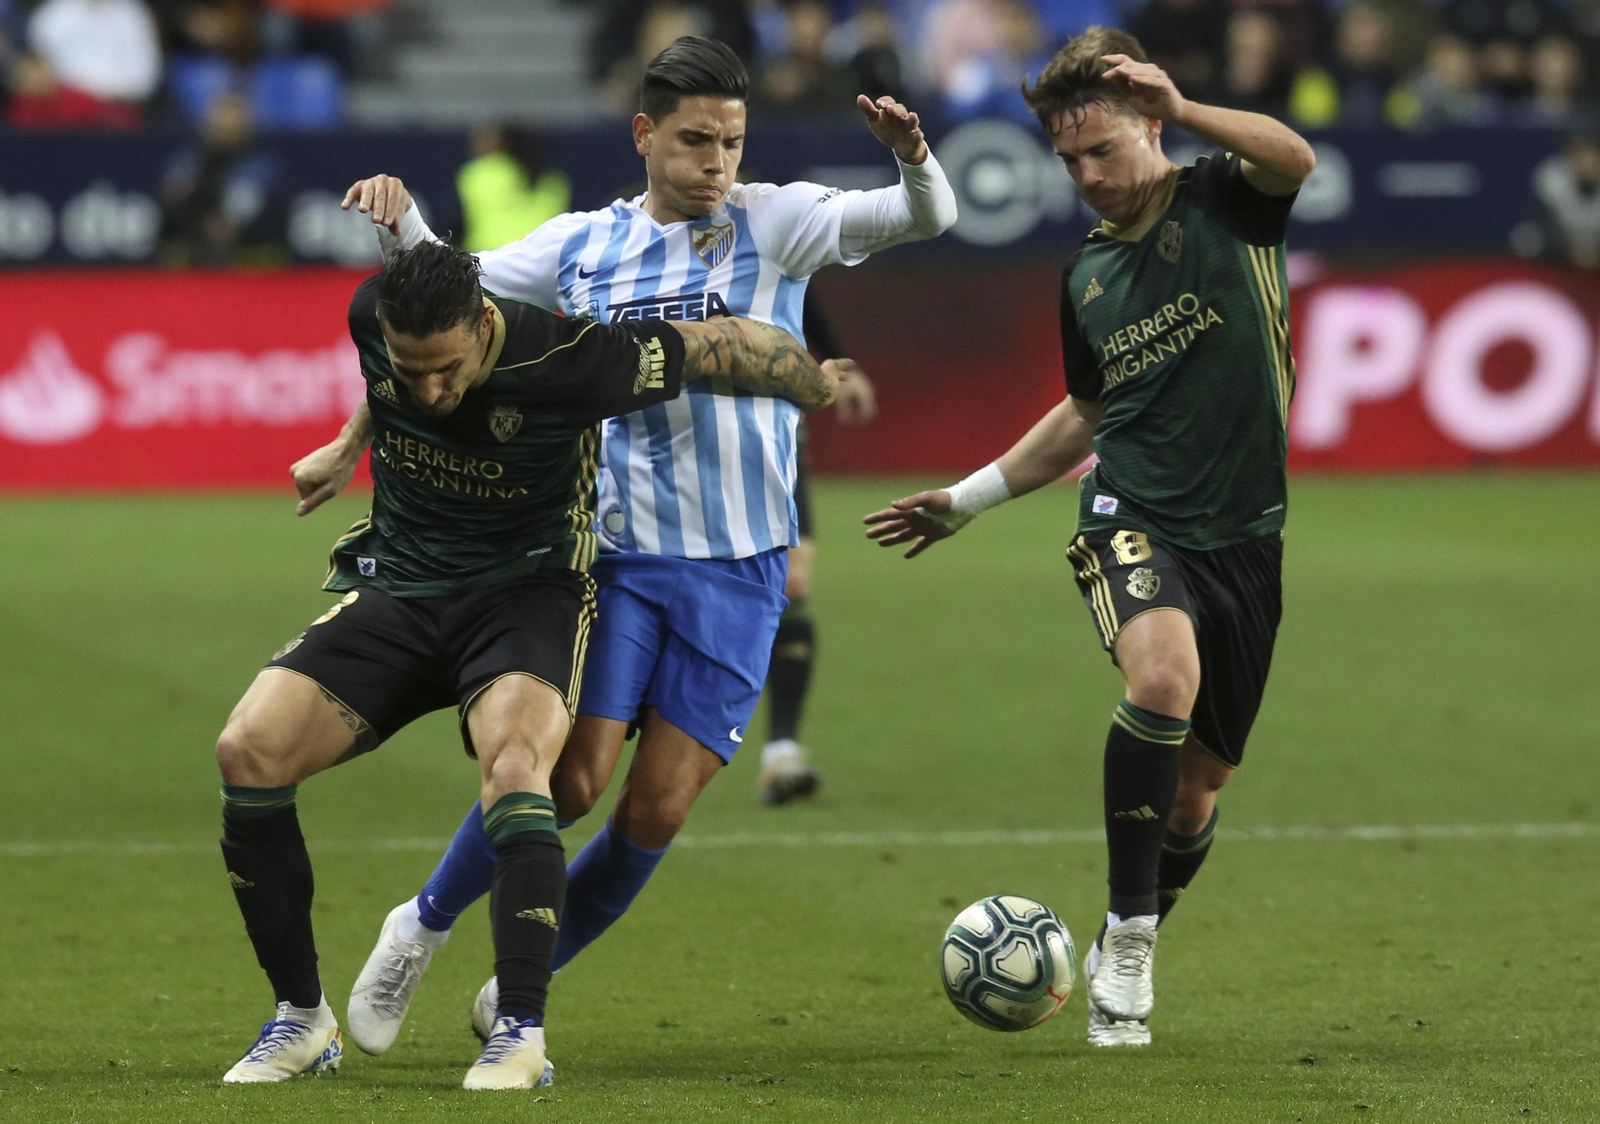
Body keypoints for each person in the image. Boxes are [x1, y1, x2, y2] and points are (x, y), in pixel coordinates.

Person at [305, 36, 955, 1059]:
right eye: (695, 141)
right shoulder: (583, 247)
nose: (716, 163)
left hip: (742, 561)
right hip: (615, 551)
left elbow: (927, 217)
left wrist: (913, 159)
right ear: (646, 135)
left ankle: (526, 972)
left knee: (657, 807)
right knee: (567, 781)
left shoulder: (777, 220)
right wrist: (402, 220)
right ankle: (419, 924)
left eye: (732, 142)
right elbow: (453, 284)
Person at [215, 238, 836, 1089]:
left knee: (521, 768)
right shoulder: (374, 317)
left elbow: (721, 342)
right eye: (412, 369)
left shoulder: (572, 357)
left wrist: (815, 381)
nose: (430, 392)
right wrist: (345, 444)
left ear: (483, 324)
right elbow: (380, 382)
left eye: (447, 369)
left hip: (527, 598)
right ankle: (300, 1020)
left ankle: (520, 1032)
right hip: (402, 592)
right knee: (246, 750)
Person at [864, 25, 1314, 1048]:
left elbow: (1297, 157)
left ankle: (1125, 921)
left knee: (1198, 794)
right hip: (1129, 509)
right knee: (1161, 677)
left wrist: (1190, 102)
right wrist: (968, 497)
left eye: (1101, 150)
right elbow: (1085, 412)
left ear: (1150, 123)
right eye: (1068, 160)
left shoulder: (1223, 196)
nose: (1086, 176)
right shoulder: (1087, 279)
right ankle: (1133, 933)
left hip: (1245, 532)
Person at [755, 288, 878, 806]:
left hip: (776, 415)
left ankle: (780, 751)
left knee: (792, 579)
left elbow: (799, 288)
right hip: (700, 415)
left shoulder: (766, 220)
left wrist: (838, 362)